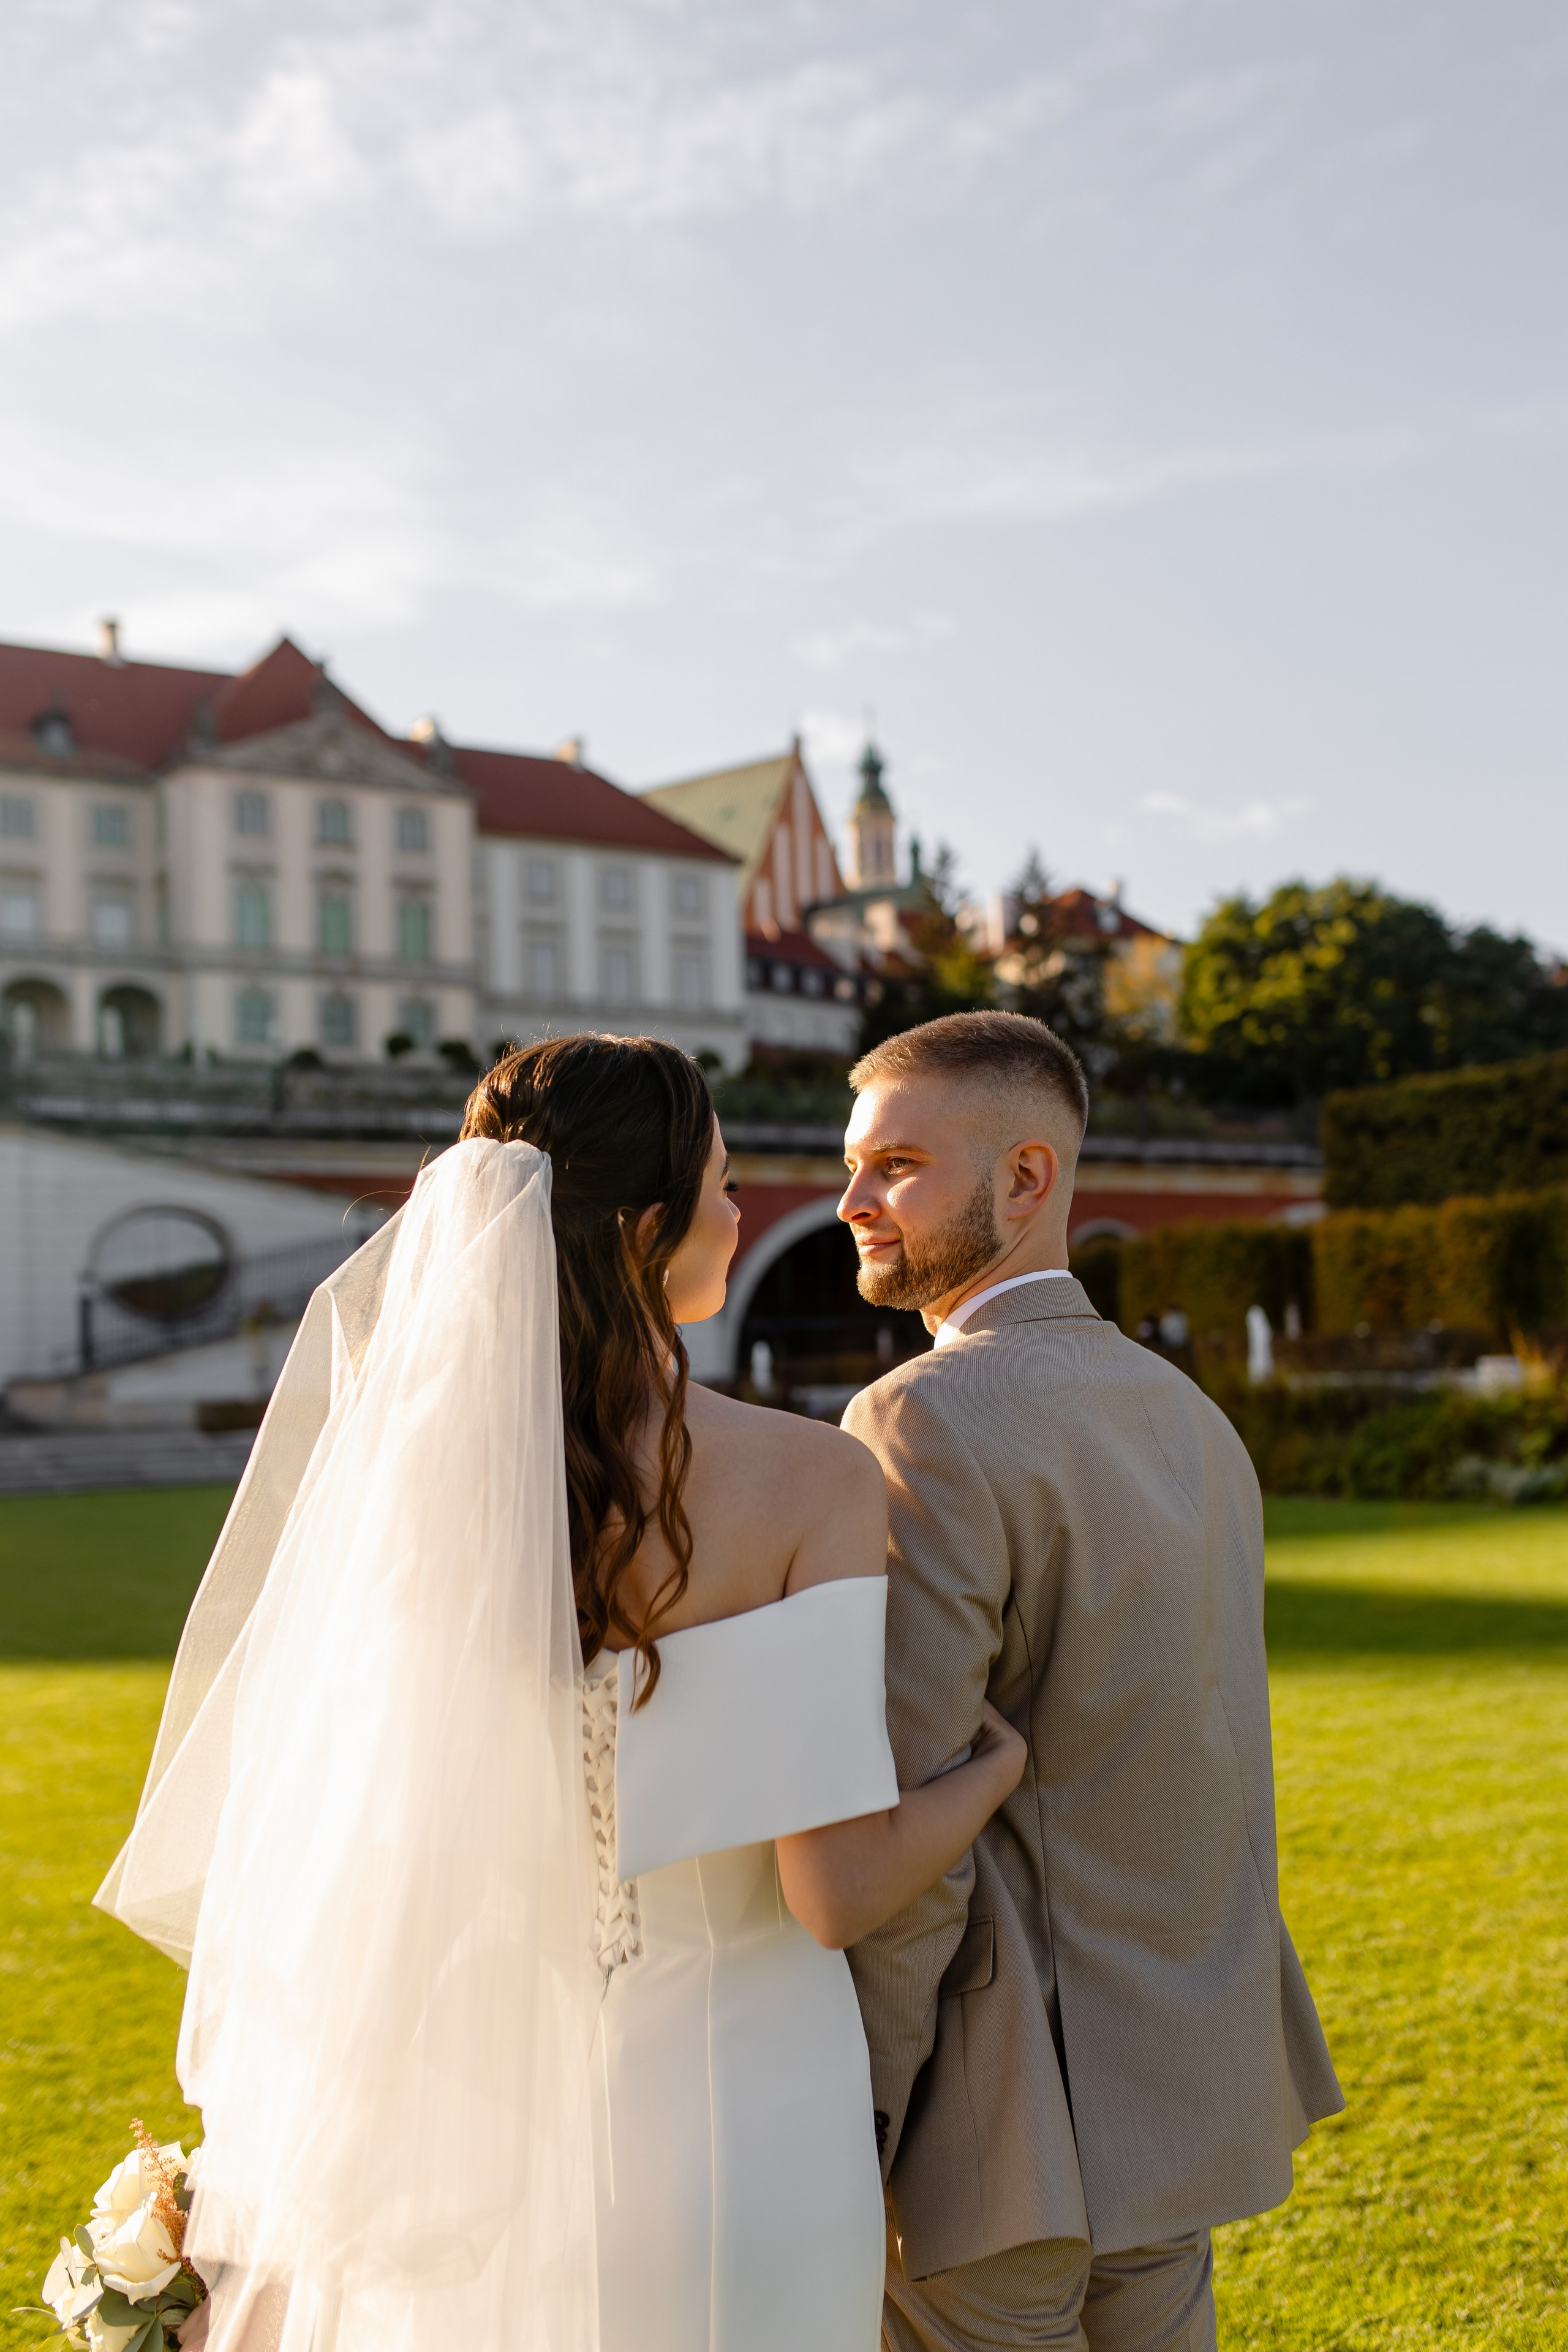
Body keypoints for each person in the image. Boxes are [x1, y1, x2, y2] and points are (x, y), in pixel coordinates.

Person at [97, 1033, 1024, 2352]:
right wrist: (990, 1770)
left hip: (477, 2110)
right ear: (650, 1229)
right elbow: (833, 1892)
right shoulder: (807, 1480)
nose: (741, 1208)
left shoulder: (415, 1498)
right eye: (719, 1182)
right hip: (740, 2107)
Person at [837, 1011, 1343, 2352]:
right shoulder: (1192, 1415)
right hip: (1177, 2094)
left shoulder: (917, 1419)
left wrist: (854, 2112)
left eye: (895, 1165)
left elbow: (903, 1834)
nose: (850, 1202)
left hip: (991, 2129)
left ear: (1024, 1178)